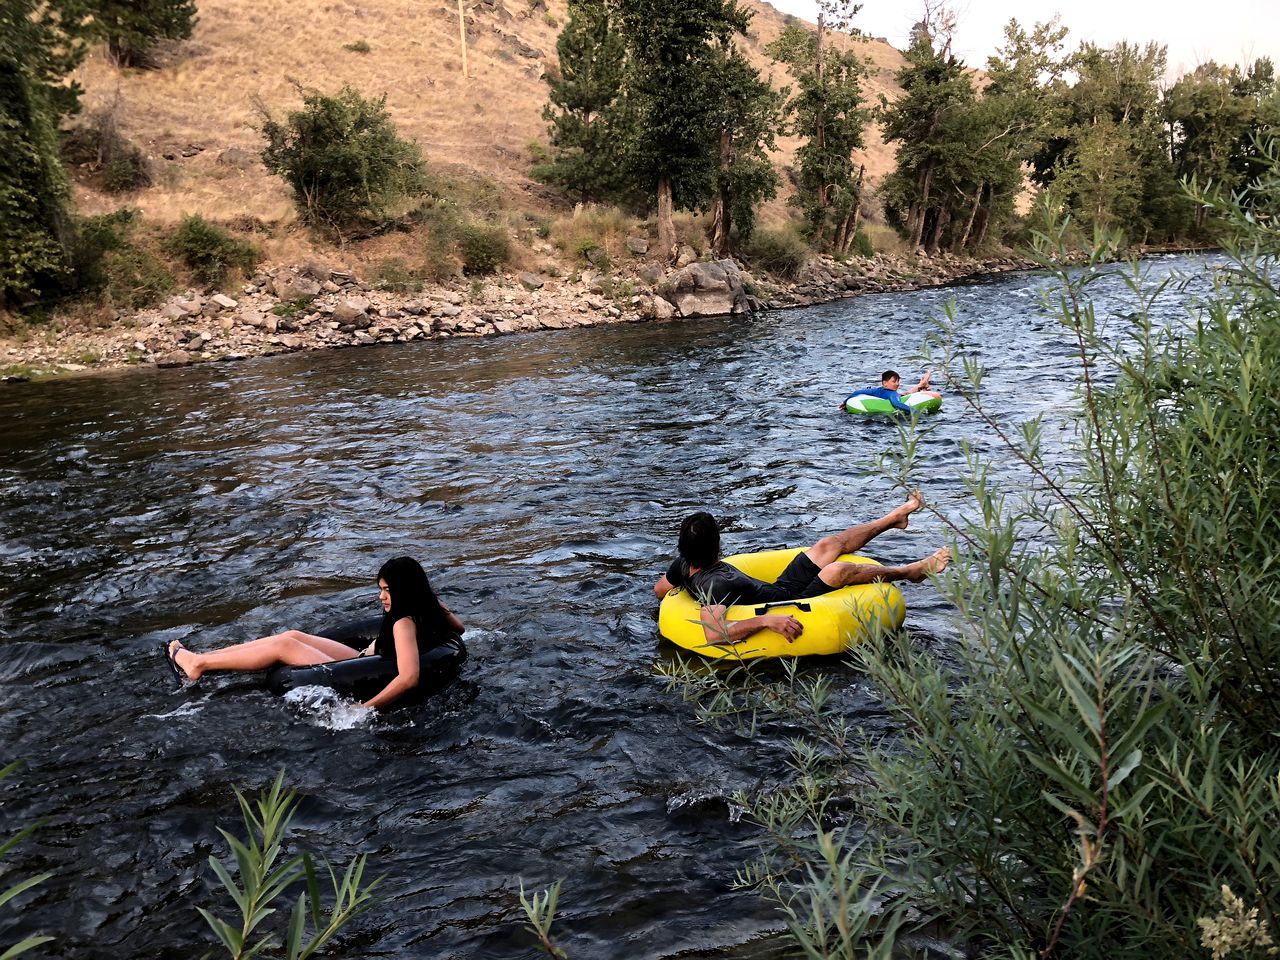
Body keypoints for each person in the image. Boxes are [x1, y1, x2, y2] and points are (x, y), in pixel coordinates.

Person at [161, 556, 465, 709]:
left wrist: (364, 709)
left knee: (284, 645)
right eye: (381, 590)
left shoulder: (403, 623)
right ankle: (200, 659)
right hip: (364, 657)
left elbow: (409, 677)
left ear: (405, 591)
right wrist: (435, 604)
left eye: (387, 591)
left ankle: (198, 663)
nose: (381, 597)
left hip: (368, 672)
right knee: (292, 635)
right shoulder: (429, 606)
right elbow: (460, 629)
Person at [654, 492, 950, 647]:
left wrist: (682, 594)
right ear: (717, 543)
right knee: (837, 571)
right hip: (786, 601)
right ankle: (911, 571)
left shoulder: (682, 565)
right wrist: (766, 622)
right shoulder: (714, 585)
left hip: (779, 587)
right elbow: (715, 635)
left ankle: (893, 518)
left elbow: (659, 591)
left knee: (828, 545)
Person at [844, 369, 941, 412]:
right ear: (885, 383)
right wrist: (915, 411)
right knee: (904, 395)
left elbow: (857, 392)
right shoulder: (892, 394)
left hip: (897, 397)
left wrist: (844, 402)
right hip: (896, 398)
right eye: (894, 381)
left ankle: (922, 384)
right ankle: (922, 384)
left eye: (898, 381)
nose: (897, 384)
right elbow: (896, 404)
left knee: (905, 394)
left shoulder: (877, 390)